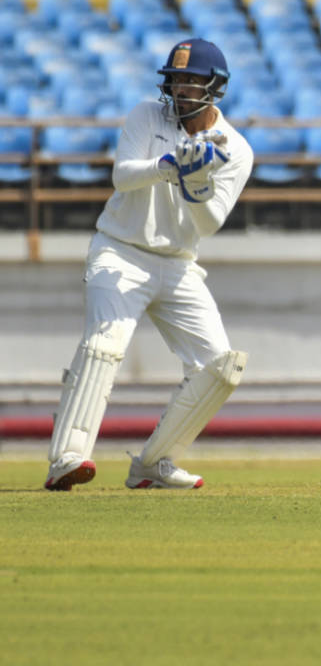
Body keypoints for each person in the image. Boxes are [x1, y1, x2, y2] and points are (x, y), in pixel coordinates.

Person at [43, 38, 253, 491]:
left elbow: (210, 222)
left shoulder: (236, 149)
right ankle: (68, 457)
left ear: (215, 87)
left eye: (192, 80)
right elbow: (122, 176)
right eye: (175, 79)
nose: (181, 89)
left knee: (220, 365)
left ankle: (154, 464)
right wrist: (170, 164)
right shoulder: (145, 116)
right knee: (105, 344)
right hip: (120, 250)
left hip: (178, 263)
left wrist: (196, 186)